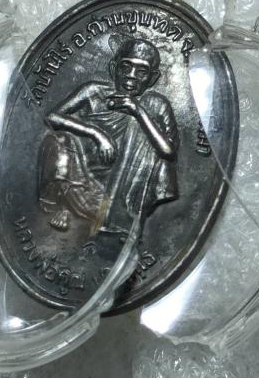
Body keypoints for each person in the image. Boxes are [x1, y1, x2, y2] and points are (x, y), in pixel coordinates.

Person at [39, 36, 179, 234]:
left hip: (122, 194)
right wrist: (96, 133)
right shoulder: (94, 91)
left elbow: (168, 151)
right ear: (114, 68)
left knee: (148, 136)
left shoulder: (156, 105)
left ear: (153, 78)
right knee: (57, 139)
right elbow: (51, 117)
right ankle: (64, 206)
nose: (131, 76)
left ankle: (122, 218)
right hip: (83, 182)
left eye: (141, 72)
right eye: (126, 67)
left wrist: (138, 112)